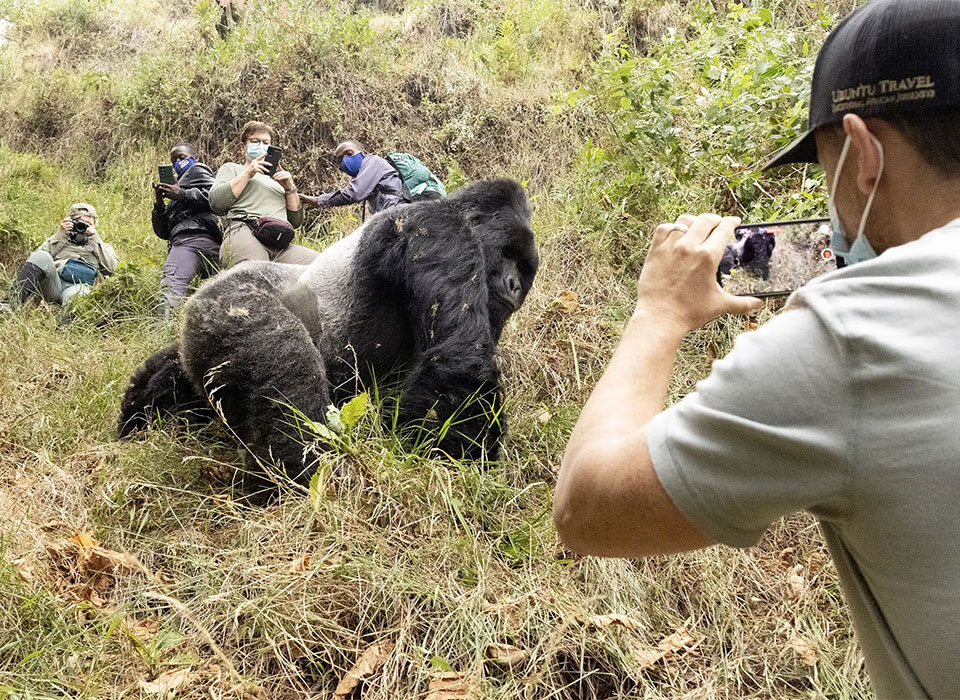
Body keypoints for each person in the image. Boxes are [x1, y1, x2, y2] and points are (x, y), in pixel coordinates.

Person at [553, 1, 960, 697]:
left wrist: (659, 312)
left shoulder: (853, 336)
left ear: (864, 154)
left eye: (826, 170)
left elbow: (587, 510)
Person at [209, 120, 318, 268]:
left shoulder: (278, 181)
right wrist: (248, 173)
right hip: (245, 230)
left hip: (279, 240)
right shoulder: (232, 169)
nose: (261, 146)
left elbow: (295, 222)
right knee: (255, 272)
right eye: (255, 141)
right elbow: (216, 202)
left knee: (322, 267)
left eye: (265, 143)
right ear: (243, 147)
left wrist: (290, 188)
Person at [0, 203, 118, 314]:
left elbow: (113, 268)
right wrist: (60, 234)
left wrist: (95, 239)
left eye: (88, 224)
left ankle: (65, 326)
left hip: (79, 287)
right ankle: (10, 304)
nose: (83, 227)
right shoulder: (59, 239)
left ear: (95, 226)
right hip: (54, 284)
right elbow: (35, 259)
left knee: (77, 296)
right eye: (80, 223)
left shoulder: (102, 246)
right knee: (41, 255)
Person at [152, 143, 221, 313]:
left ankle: (164, 326)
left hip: (199, 237)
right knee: (215, 298)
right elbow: (163, 232)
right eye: (173, 160)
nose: (177, 163)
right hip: (187, 241)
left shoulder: (197, 170)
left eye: (181, 157)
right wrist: (160, 205)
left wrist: (181, 194)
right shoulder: (177, 187)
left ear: (193, 158)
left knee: (172, 289)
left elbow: (216, 198)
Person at [300, 141, 409, 217]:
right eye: (340, 159)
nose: (345, 160)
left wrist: (318, 200)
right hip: (387, 214)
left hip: (397, 212)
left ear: (362, 152)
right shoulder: (363, 175)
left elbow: (354, 194)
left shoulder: (373, 162)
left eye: (349, 153)